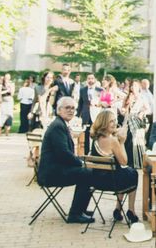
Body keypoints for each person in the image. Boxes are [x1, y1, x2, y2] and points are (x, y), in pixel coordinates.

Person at [37, 96, 96, 224]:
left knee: (88, 171)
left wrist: (82, 161)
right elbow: (63, 154)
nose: (71, 111)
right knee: (87, 173)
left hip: (57, 168)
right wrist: (81, 163)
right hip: (50, 174)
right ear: (59, 110)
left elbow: (65, 154)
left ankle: (80, 209)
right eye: (67, 107)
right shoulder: (58, 126)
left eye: (73, 108)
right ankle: (75, 214)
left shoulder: (61, 123)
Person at [89, 110, 139, 222]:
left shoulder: (95, 139)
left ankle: (118, 208)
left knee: (124, 172)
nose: (115, 123)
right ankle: (131, 210)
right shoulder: (113, 141)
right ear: (103, 123)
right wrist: (122, 142)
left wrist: (116, 135)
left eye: (115, 121)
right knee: (133, 172)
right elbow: (124, 161)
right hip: (111, 182)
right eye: (111, 121)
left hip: (97, 180)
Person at [77, 73, 98, 155]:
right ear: (86, 80)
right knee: (85, 134)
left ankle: (94, 152)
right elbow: (80, 103)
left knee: (95, 134)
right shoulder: (82, 90)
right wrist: (78, 115)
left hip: (96, 114)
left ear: (95, 79)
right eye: (89, 78)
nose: (90, 80)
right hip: (86, 115)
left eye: (92, 78)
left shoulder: (99, 90)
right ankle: (86, 154)